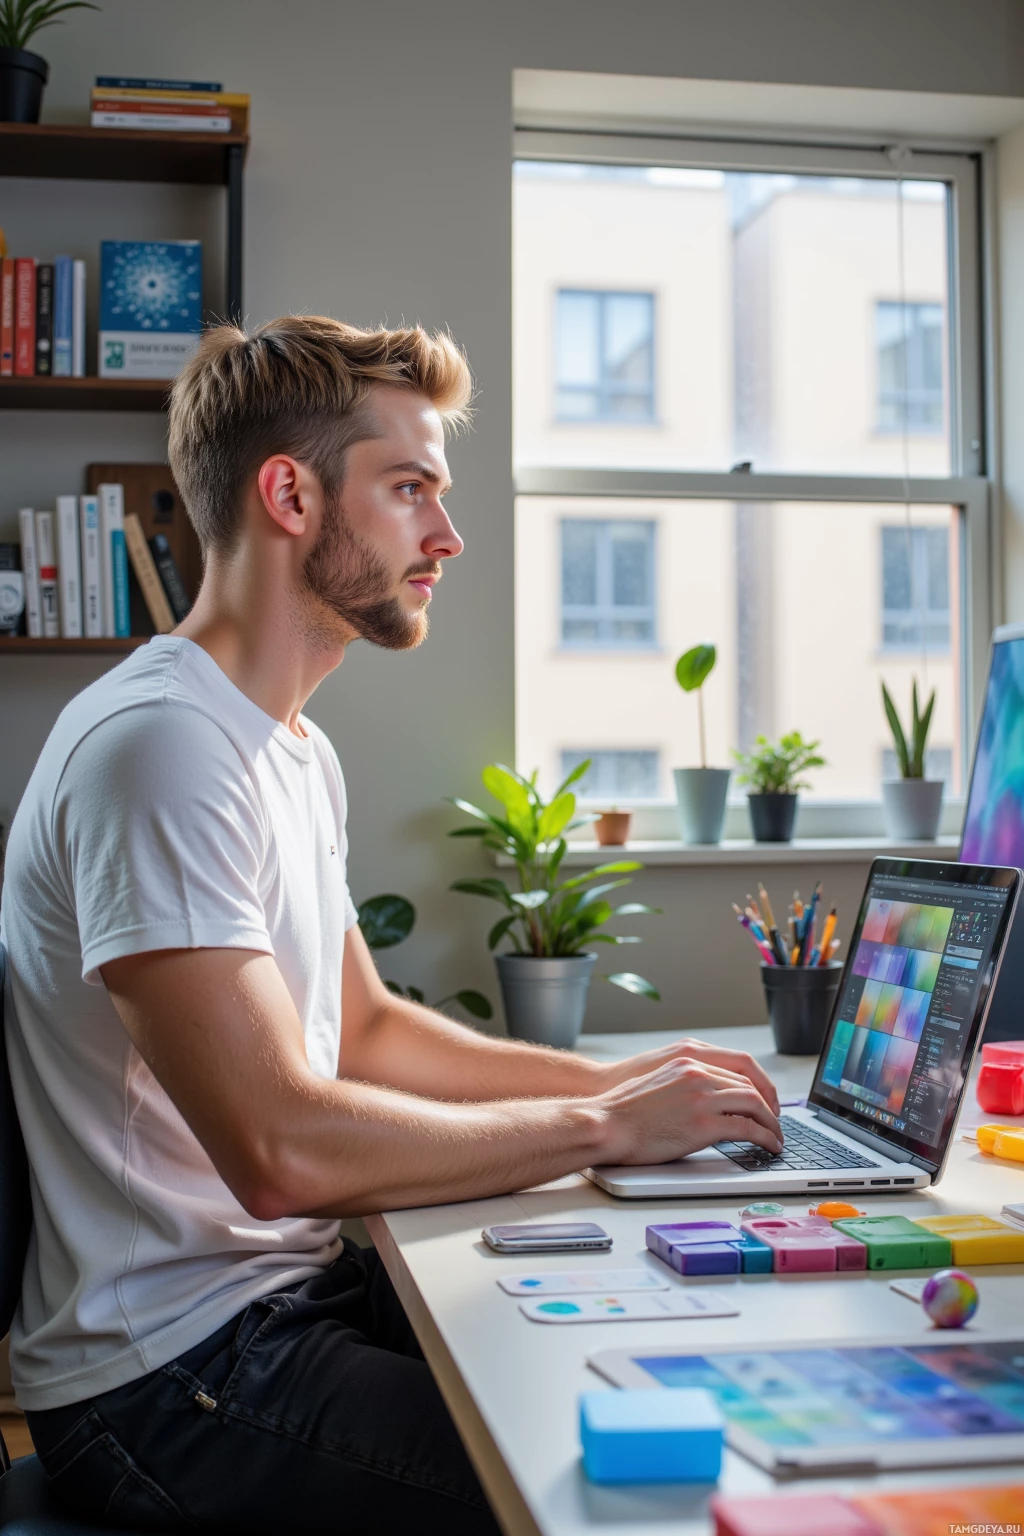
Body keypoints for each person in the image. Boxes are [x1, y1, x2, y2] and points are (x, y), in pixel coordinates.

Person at [1, 316, 782, 1533]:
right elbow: (281, 1151)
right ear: (290, 494)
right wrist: (596, 1124)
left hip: (281, 1309)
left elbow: (365, 1032)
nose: (447, 536)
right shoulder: (158, 750)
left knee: (670, 1386)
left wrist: (627, 1083)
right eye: (409, 489)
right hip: (170, 1377)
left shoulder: (287, 749)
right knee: (633, 1497)